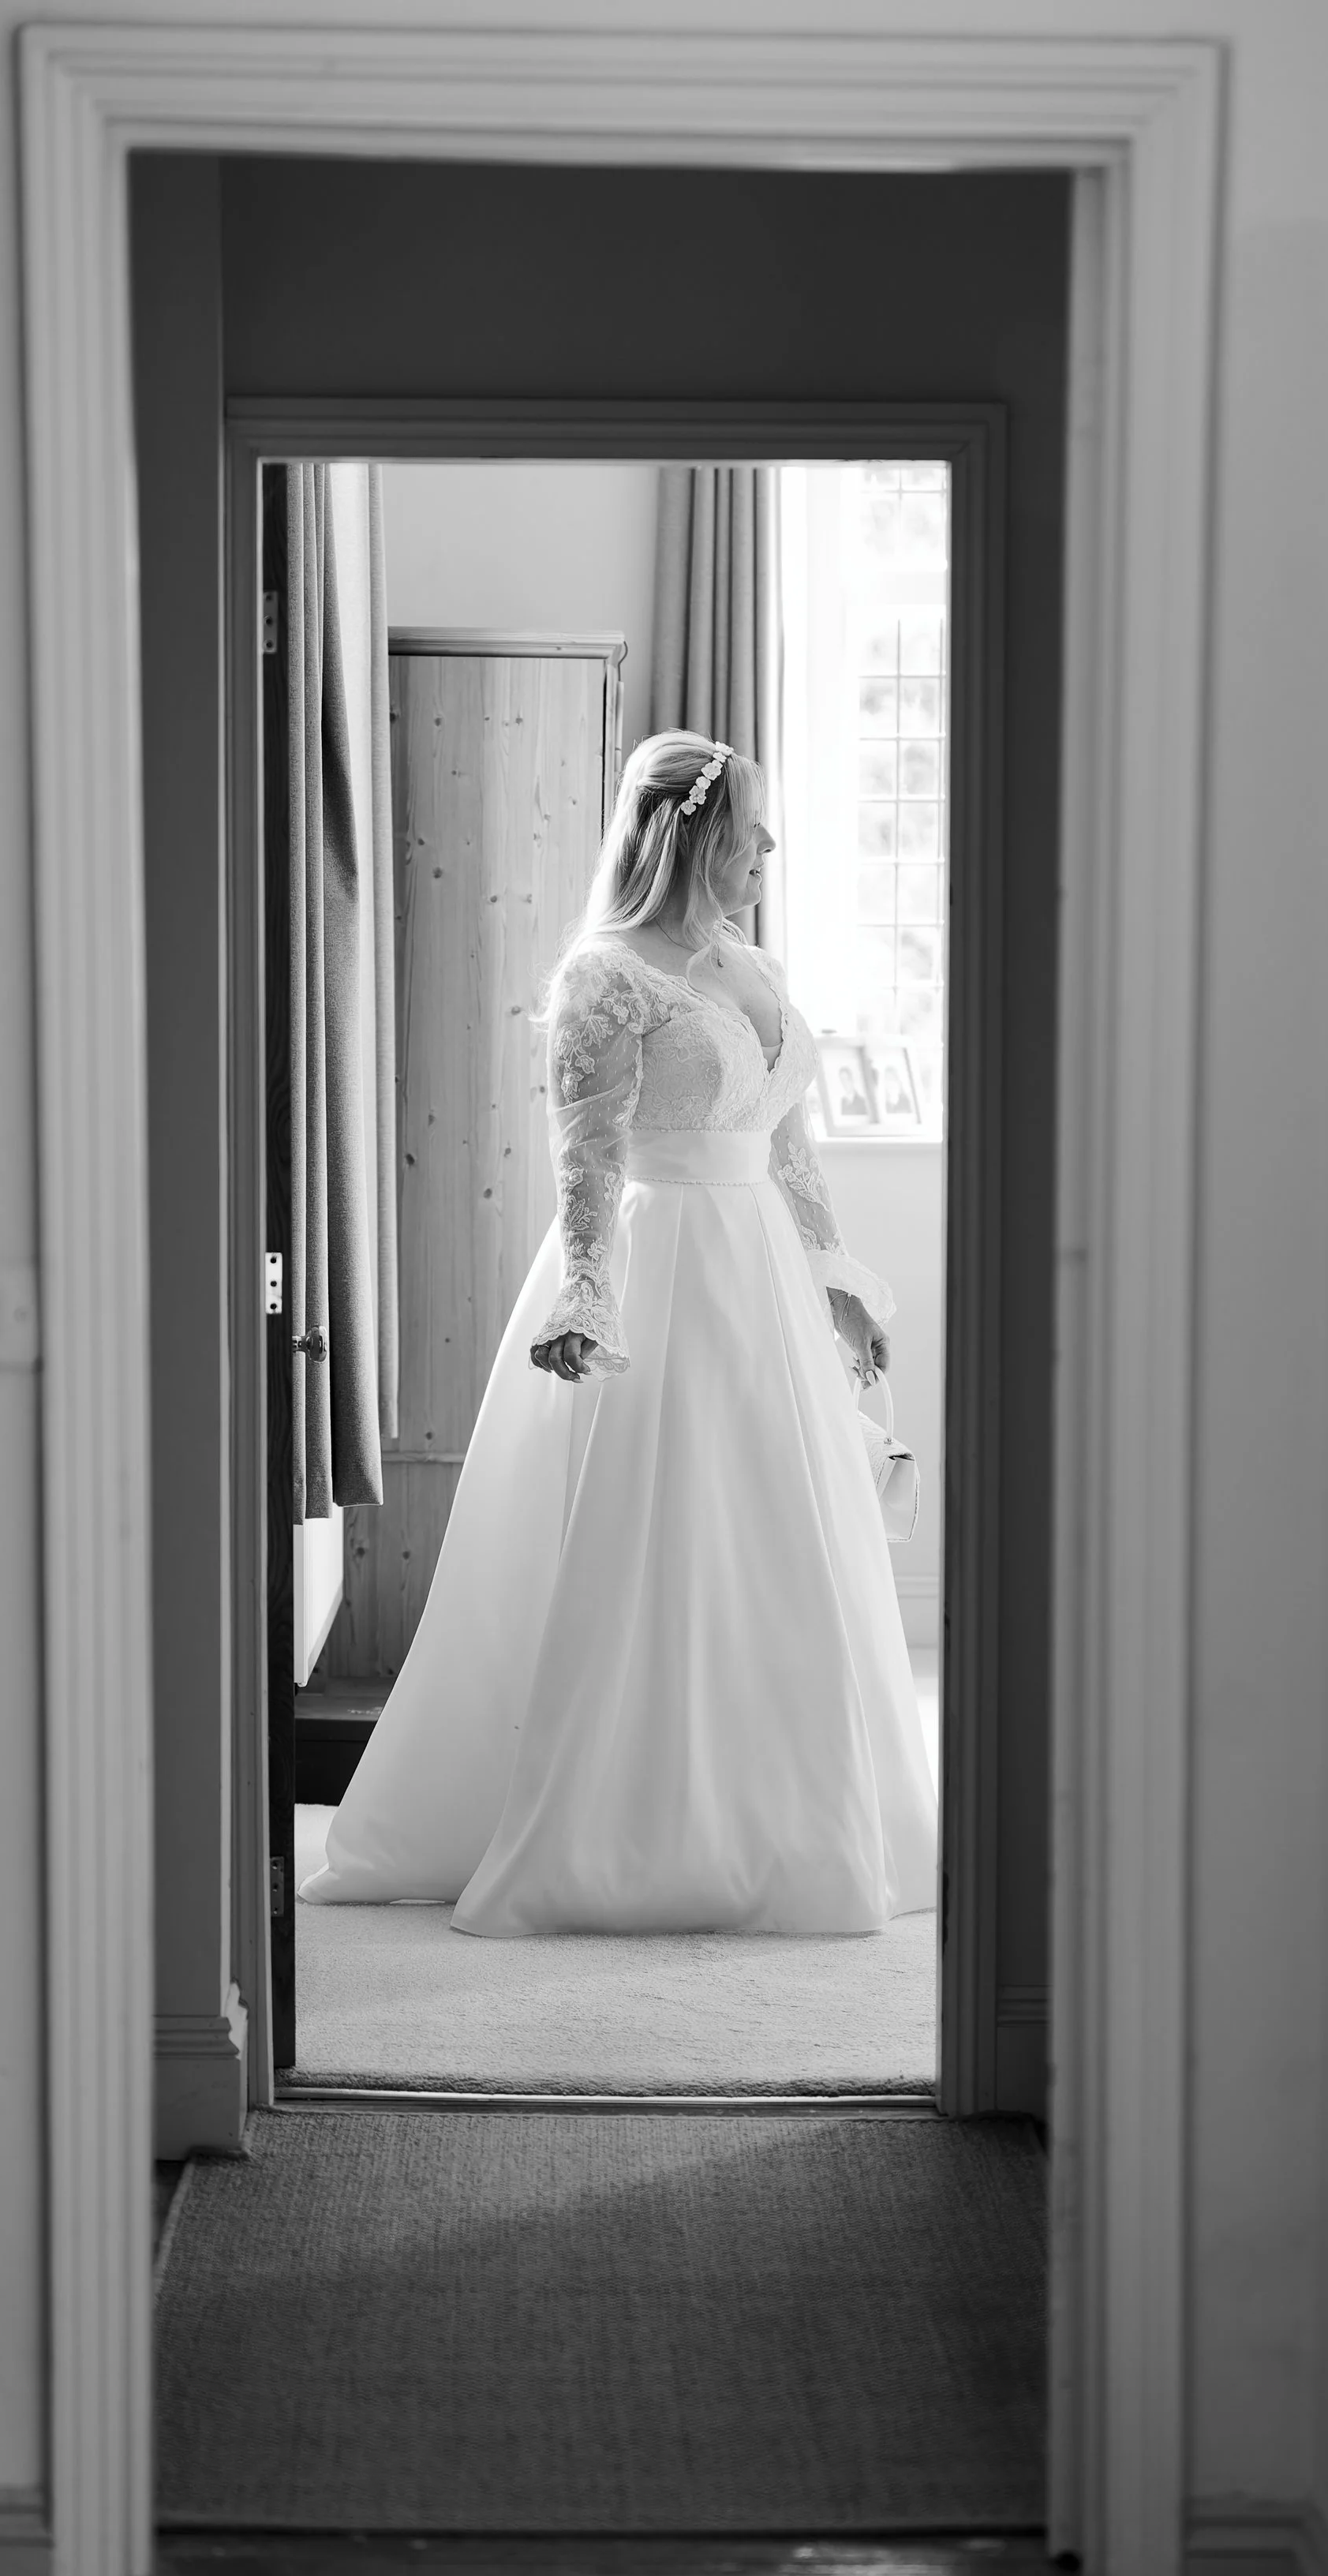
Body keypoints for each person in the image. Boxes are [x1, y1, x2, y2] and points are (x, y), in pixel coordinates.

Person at [300, 728, 937, 1935]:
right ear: (690, 833)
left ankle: (796, 1816)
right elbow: (585, 1164)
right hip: (663, 1267)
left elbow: (789, 1143)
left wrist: (837, 1279)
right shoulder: (605, 974)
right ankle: (625, 1826)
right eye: (749, 826)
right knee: (654, 1538)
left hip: (762, 1273)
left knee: (781, 1540)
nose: (766, 848)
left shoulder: (750, 962)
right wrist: (587, 1296)